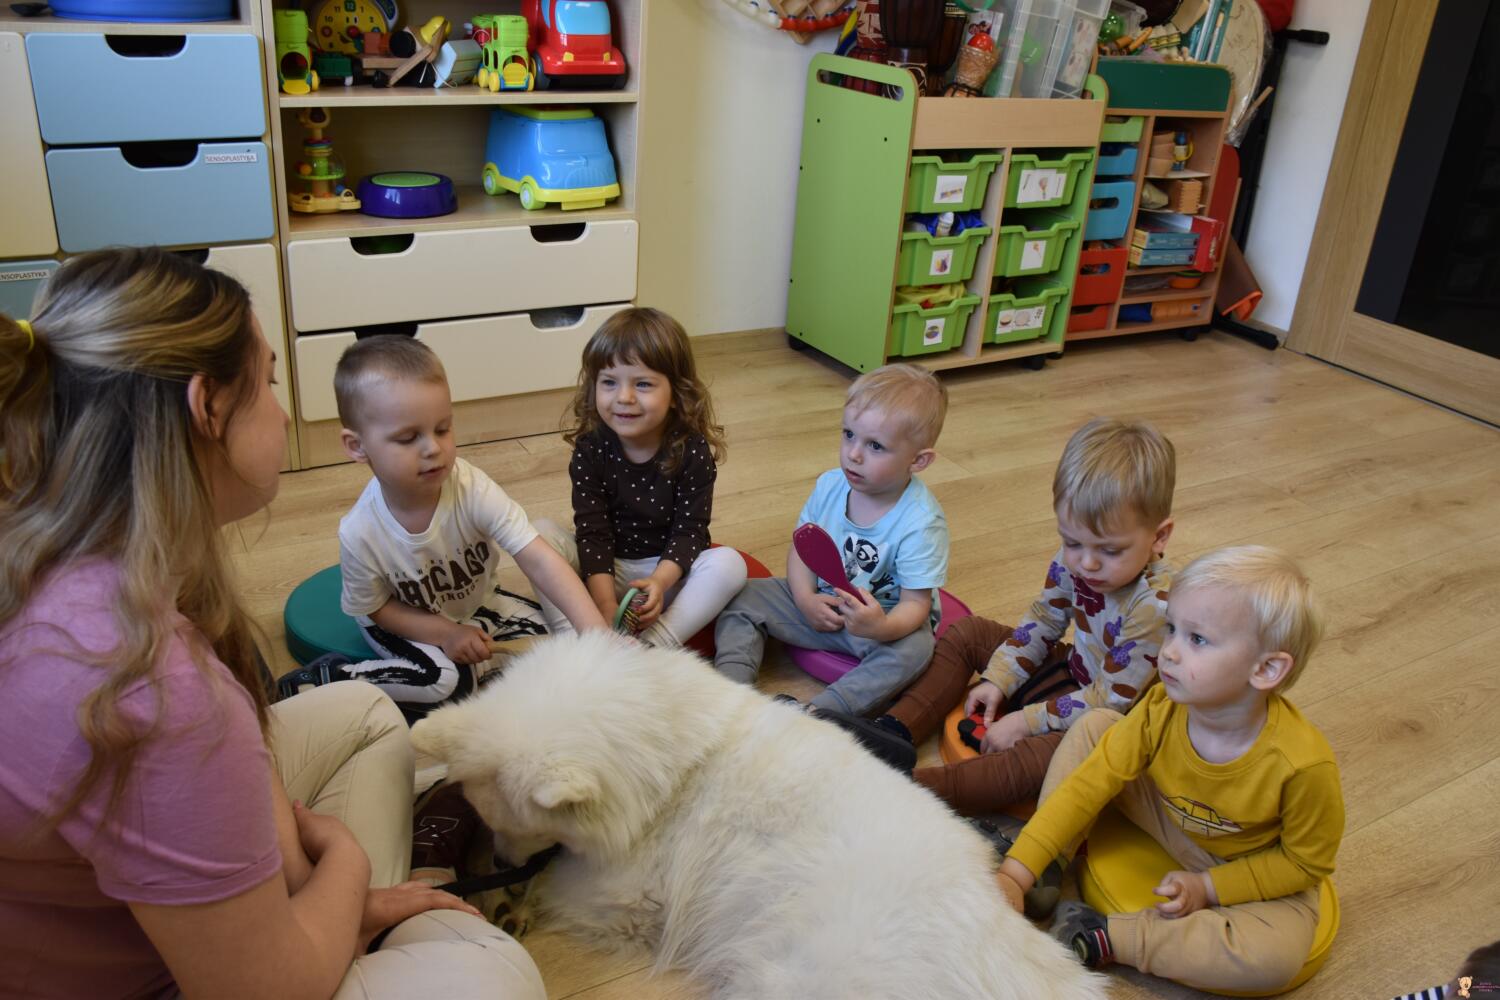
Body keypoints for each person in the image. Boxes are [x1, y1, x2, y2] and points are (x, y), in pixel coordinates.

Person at [0, 249, 544, 1000]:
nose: (285, 413)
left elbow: (241, 774)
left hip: (180, 909)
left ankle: (351, 920)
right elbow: (263, 989)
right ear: (208, 408)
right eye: (269, 382)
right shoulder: (150, 688)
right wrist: (346, 867)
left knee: (367, 715)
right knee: (495, 976)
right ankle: (371, 916)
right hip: (179, 979)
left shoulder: (71, 551)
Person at [997, 546, 1344, 996]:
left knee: (1275, 958)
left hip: (1242, 860)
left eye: (1196, 639)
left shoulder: (1303, 766)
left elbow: (1303, 863)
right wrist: (1017, 871)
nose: (1169, 653)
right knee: (1097, 727)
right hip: (1164, 810)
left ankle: (1109, 937)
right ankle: (1048, 865)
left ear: (1266, 669)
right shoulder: (1161, 706)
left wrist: (1210, 887)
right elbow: (1091, 782)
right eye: (1172, 629)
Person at [824, 417, 1174, 813]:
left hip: (1113, 720)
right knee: (969, 633)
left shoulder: (1154, 605)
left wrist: (1026, 721)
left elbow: (1108, 702)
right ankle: (893, 730)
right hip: (1074, 674)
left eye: (1110, 551)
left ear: (1159, 536)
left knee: (1040, 761)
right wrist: (1000, 677)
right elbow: (1045, 619)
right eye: (1072, 542)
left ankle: (910, 792)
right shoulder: (1077, 557)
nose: (1087, 563)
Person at [284, 335, 605, 712]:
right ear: (358, 446)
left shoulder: (473, 489)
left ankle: (480, 671)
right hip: (403, 624)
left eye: (442, 429)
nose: (433, 448)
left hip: (475, 604)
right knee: (444, 681)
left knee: (553, 645)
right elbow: (377, 609)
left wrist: (598, 635)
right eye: (408, 437)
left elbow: (538, 556)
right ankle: (333, 679)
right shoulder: (360, 532)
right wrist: (446, 634)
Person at [713, 364, 949, 716]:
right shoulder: (830, 485)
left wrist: (881, 627)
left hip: (882, 618)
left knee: (917, 650)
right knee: (740, 596)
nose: (854, 454)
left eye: (875, 446)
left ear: (918, 461)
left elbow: (916, 605)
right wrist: (805, 598)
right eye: (849, 434)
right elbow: (803, 550)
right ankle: (729, 695)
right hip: (822, 599)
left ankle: (817, 714)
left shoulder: (922, 523)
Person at [535, 306, 746, 647]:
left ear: (677, 393)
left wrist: (660, 583)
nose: (624, 397)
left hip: (667, 574)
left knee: (730, 565)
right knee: (538, 536)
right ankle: (578, 639)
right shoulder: (591, 449)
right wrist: (604, 604)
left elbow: (690, 532)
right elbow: (593, 533)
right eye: (609, 382)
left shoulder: (692, 451)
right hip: (604, 570)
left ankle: (654, 646)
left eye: (643, 384)